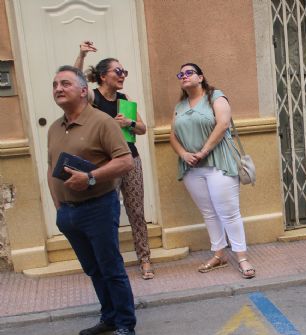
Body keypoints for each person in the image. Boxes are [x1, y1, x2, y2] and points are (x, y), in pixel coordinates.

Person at [47, 65, 137, 335]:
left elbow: (125, 162)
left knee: (111, 268)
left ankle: (125, 324)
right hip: (69, 213)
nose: (58, 89)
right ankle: (109, 318)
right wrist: (59, 207)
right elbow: (51, 170)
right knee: (93, 269)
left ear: (83, 90)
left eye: (65, 84)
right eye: (55, 85)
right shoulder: (54, 128)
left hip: (98, 206)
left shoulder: (102, 122)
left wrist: (91, 177)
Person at [74, 41, 155, 280]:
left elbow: (142, 129)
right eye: (118, 71)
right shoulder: (92, 98)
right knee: (107, 213)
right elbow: (76, 82)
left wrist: (128, 123)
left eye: (124, 72)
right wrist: (81, 54)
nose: (123, 75)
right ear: (102, 76)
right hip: (104, 164)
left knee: (136, 211)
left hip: (130, 160)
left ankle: (145, 259)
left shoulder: (124, 98)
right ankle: (111, 262)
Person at [169, 63, 256, 279]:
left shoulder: (215, 97)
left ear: (200, 77)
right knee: (209, 213)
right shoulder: (180, 105)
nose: (184, 76)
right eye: (181, 74)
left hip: (219, 162)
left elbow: (223, 124)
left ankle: (242, 257)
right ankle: (219, 254)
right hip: (192, 167)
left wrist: (203, 151)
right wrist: (183, 154)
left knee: (229, 212)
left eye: (189, 72)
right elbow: (172, 135)